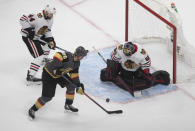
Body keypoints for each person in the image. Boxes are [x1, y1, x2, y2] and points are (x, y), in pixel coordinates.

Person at [28, 46, 88, 120]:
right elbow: (57, 55)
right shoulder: (67, 57)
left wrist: (78, 85)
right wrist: (56, 67)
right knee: (47, 97)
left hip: (60, 74)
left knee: (71, 86)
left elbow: (74, 74)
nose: (83, 57)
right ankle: (33, 109)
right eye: (83, 55)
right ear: (79, 55)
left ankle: (68, 105)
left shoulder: (77, 63)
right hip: (48, 74)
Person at [100, 42, 170, 96]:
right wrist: (111, 68)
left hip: (136, 71)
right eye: (125, 51)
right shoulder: (120, 48)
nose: (125, 53)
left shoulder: (141, 53)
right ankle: (117, 78)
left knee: (148, 82)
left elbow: (146, 64)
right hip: (122, 67)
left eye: (127, 52)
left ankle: (159, 77)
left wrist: (144, 72)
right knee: (104, 75)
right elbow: (114, 59)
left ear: (133, 50)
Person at [19, 5, 56, 82]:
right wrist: (30, 30)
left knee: (48, 44)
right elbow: (22, 19)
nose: (52, 16)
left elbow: (48, 30)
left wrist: (50, 39)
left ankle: (43, 59)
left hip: (38, 36)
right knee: (39, 56)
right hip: (29, 37)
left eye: (53, 14)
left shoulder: (50, 19)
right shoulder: (37, 16)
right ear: (45, 12)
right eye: (50, 14)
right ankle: (30, 76)